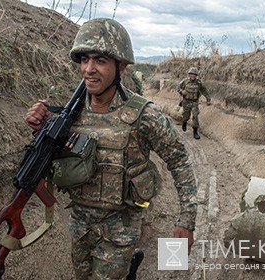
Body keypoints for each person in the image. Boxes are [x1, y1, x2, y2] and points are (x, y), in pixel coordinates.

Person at [25, 18, 198, 280]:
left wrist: (186, 219)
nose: (89, 69)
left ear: (122, 67)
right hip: (80, 226)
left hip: (120, 230)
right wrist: (42, 127)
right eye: (84, 60)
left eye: (100, 61)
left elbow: (180, 161)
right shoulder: (69, 115)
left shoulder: (144, 115)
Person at [177, 67, 211, 139]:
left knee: (195, 116)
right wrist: (181, 91)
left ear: (196, 75)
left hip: (194, 102)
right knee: (186, 116)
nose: (193, 75)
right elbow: (178, 88)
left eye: (194, 74)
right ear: (189, 74)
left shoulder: (199, 83)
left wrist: (208, 99)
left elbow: (204, 91)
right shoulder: (185, 81)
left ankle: (195, 132)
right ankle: (184, 122)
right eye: (191, 74)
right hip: (186, 102)